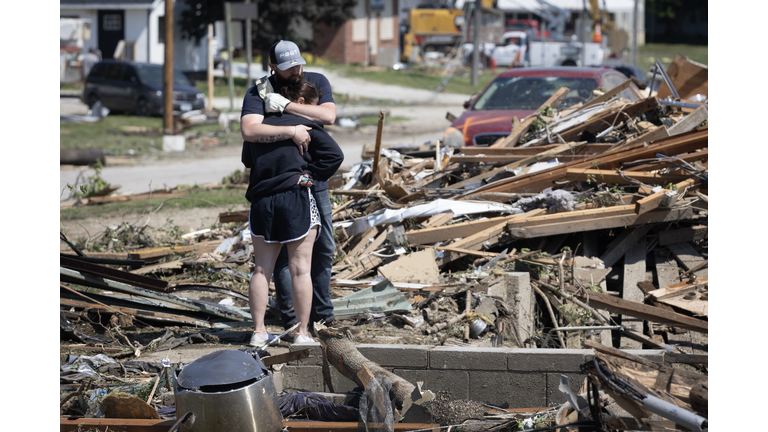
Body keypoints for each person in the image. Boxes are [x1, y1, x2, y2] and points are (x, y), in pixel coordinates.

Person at [241, 40, 340, 337]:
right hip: (287, 187)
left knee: (322, 250)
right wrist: (290, 130)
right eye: (287, 67)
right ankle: (295, 324)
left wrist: (286, 108)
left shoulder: (316, 81)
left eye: (298, 64)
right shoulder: (259, 91)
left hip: (311, 184)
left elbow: (329, 116)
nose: (295, 70)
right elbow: (249, 131)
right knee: (289, 262)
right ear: (273, 67)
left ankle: (321, 318)